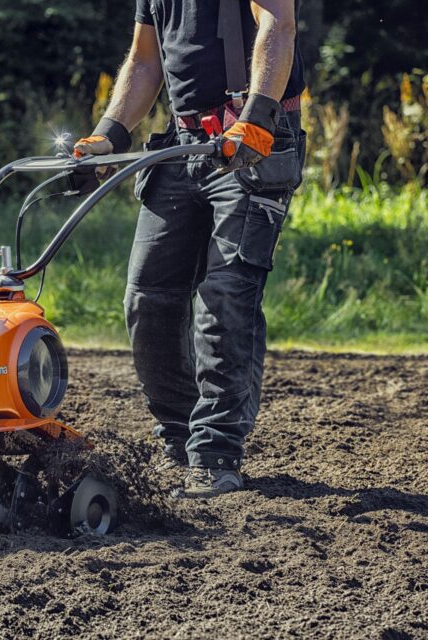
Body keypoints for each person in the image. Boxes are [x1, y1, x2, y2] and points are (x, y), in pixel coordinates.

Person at [73, 0, 306, 498]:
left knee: (225, 295)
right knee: (147, 296)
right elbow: (145, 60)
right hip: (183, 145)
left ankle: (216, 452)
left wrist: (257, 116)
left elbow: (277, 24)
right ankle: (179, 439)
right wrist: (108, 136)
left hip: (255, 140)